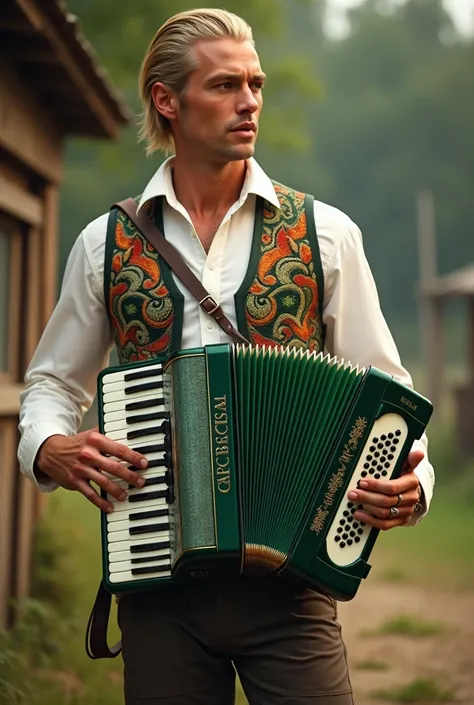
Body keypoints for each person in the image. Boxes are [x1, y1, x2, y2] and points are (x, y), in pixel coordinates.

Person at [18, 8, 435, 705]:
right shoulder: (104, 245)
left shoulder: (326, 235)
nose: (249, 102)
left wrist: (412, 486)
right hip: (158, 589)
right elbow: (52, 383)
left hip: (291, 589)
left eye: (257, 84)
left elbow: (389, 396)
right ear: (166, 100)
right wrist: (49, 447)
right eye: (224, 85)